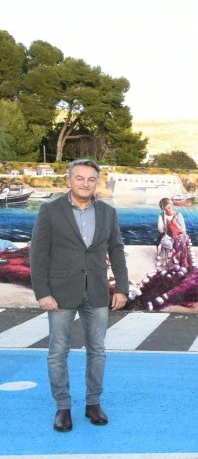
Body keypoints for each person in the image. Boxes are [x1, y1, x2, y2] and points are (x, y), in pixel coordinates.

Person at [29, 159, 129, 432]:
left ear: (98, 182)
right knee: (57, 352)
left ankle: (93, 402)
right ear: (69, 180)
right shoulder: (50, 210)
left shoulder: (108, 212)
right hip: (59, 294)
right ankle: (63, 407)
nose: (85, 183)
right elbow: (37, 254)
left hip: (97, 291)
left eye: (91, 179)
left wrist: (121, 287)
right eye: (80, 178)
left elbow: (117, 250)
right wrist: (43, 292)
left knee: (97, 350)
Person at [157, 197, 193, 269]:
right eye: (165, 209)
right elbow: (160, 229)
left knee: (181, 240)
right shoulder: (161, 216)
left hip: (179, 234)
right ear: (162, 209)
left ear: (172, 205)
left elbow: (183, 229)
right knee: (169, 242)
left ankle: (180, 261)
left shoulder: (178, 215)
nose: (168, 210)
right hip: (168, 235)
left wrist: (174, 222)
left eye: (169, 208)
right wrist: (165, 228)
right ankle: (174, 260)